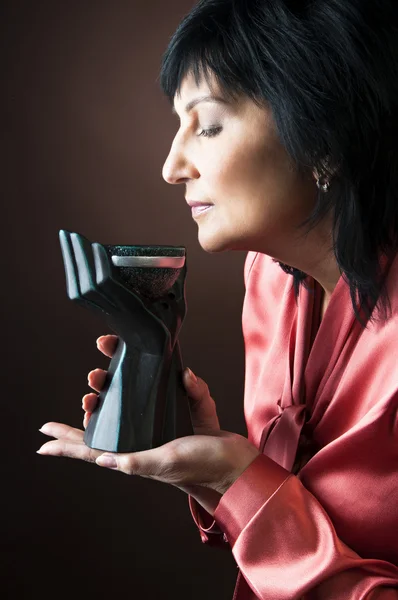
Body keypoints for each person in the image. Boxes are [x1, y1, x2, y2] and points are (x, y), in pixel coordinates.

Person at [38, 0, 398, 598]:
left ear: (326, 135)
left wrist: (239, 477)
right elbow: (281, 522)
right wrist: (208, 471)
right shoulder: (271, 281)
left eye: (207, 126)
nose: (171, 167)